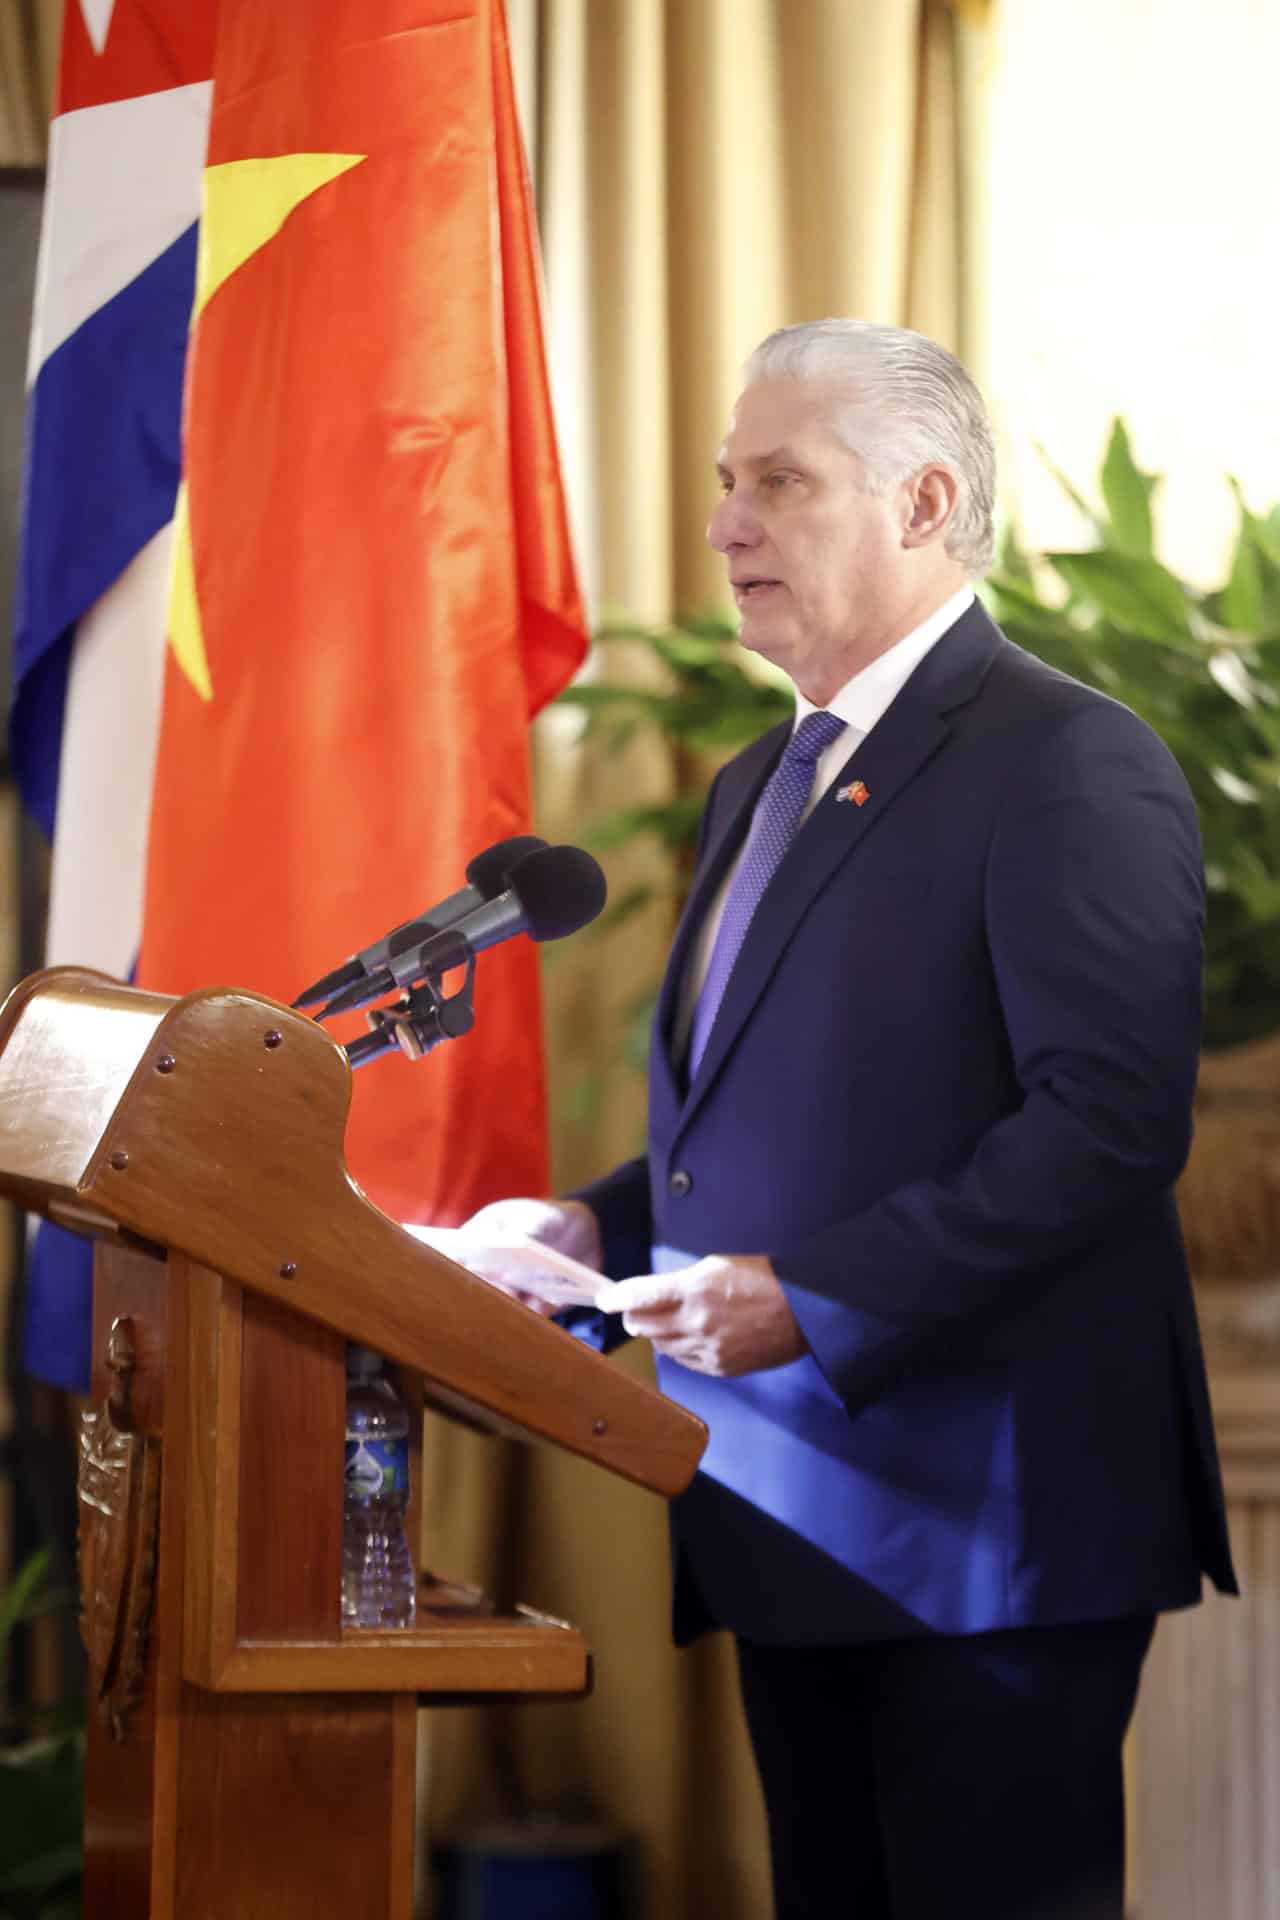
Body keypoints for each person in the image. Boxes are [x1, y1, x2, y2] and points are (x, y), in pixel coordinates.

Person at [463, 319, 1237, 1919]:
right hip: (794, 1512)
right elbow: (780, 1101)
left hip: (985, 1537)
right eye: (726, 484)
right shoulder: (763, 778)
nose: (726, 522)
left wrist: (809, 1300)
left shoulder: (1070, 763)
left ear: (923, 499)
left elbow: (1103, 1124)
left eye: (779, 482)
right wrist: (593, 1226)